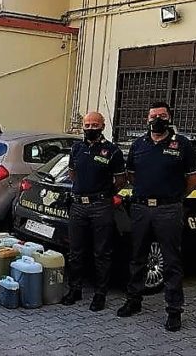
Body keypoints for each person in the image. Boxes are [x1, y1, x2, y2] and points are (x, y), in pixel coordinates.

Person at [116, 101, 196, 332]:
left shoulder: (181, 144)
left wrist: (174, 196)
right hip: (141, 208)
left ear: (169, 118)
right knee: (137, 258)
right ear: (147, 120)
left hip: (169, 209)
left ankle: (174, 311)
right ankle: (134, 300)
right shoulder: (138, 145)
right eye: (153, 116)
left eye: (162, 115)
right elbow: (132, 176)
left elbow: (194, 179)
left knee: (171, 261)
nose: (157, 119)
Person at [61, 111, 126, 312]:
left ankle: (100, 294)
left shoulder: (112, 151)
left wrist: (103, 195)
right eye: (87, 125)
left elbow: (120, 180)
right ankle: (75, 289)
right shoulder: (77, 148)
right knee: (76, 252)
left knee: (102, 253)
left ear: (102, 126)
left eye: (94, 125)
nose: (90, 129)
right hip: (79, 205)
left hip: (101, 206)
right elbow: (72, 173)